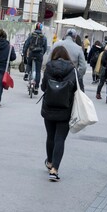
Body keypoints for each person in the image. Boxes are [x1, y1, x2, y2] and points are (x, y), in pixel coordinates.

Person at [40, 46, 80, 182]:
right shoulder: (73, 70)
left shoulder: (49, 67)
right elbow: (79, 89)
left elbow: (43, 87)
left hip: (49, 107)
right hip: (65, 109)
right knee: (60, 139)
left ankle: (50, 161)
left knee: (50, 136)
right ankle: (54, 169)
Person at [0, 29, 16, 108]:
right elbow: (13, 57)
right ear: (6, 37)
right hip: (4, 67)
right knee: (0, 84)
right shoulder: (9, 47)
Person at [22, 22, 48, 95]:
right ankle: (36, 87)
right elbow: (45, 48)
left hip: (32, 52)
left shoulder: (31, 35)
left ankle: (27, 73)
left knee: (29, 64)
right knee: (38, 71)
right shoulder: (44, 37)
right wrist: (42, 53)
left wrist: (24, 53)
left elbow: (26, 44)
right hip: (39, 54)